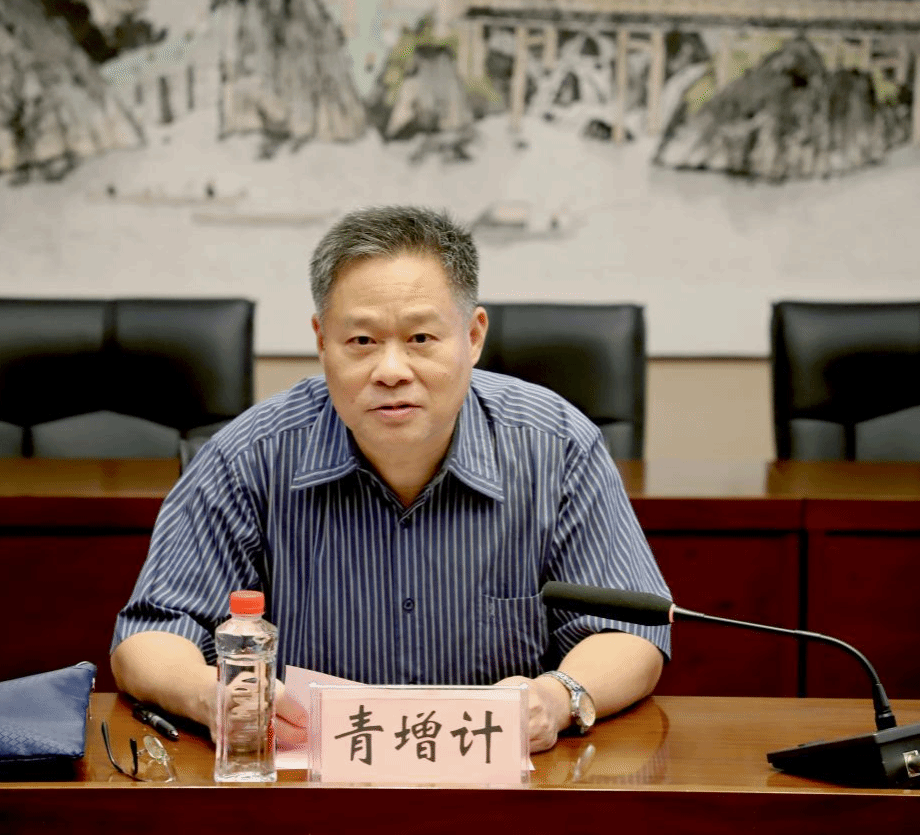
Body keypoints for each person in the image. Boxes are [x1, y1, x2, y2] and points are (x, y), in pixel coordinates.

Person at [111, 205, 672, 753]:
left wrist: (555, 697)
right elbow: (150, 636)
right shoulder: (249, 456)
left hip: (501, 786)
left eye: (421, 339)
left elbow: (630, 633)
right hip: (309, 787)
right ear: (321, 341)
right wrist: (212, 696)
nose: (391, 371)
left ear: (473, 335)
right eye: (362, 341)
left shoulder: (556, 445)